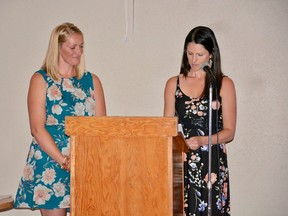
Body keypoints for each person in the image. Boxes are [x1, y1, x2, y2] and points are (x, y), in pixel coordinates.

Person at [14, 22, 106, 216]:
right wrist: (64, 161)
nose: (78, 52)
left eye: (81, 46)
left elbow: (102, 127)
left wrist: (91, 162)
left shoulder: (92, 80)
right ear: (58, 47)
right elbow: (37, 129)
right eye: (72, 47)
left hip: (85, 163)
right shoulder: (40, 79)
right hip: (51, 162)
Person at [164, 26, 236, 215]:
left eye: (200, 54)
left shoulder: (223, 84)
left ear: (211, 55)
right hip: (182, 160)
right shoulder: (174, 83)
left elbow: (230, 131)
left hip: (210, 161)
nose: (193, 60)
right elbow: (166, 127)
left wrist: (204, 140)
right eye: (190, 54)